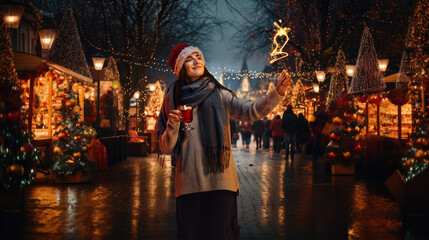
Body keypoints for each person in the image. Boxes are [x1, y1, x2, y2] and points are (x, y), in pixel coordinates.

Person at [157, 43, 291, 240]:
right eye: (189, 58)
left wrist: (276, 93)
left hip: (220, 182)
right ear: (180, 67)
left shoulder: (219, 94)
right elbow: (166, 148)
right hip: (189, 185)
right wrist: (172, 125)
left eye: (199, 56)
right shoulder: (171, 99)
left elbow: (251, 110)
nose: (197, 61)